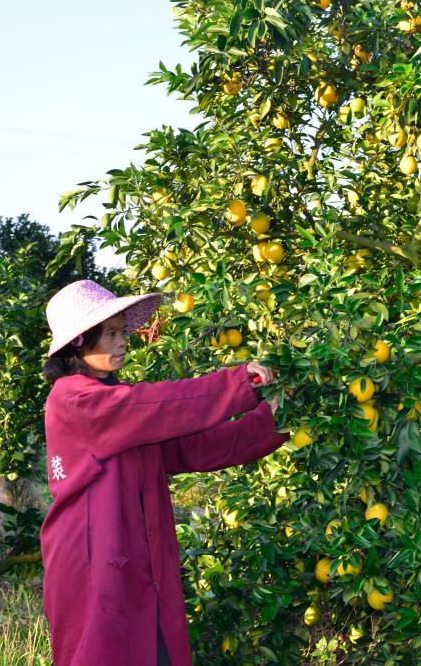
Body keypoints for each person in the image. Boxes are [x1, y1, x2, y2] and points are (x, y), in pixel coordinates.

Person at [39, 279, 289, 665]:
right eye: (111, 333)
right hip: (92, 557)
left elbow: (196, 447)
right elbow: (156, 405)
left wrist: (275, 417)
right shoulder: (73, 397)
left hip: (131, 556)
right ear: (80, 341)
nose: (123, 342)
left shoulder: (118, 404)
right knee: (103, 650)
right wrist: (240, 382)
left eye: (122, 332)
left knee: (149, 648)